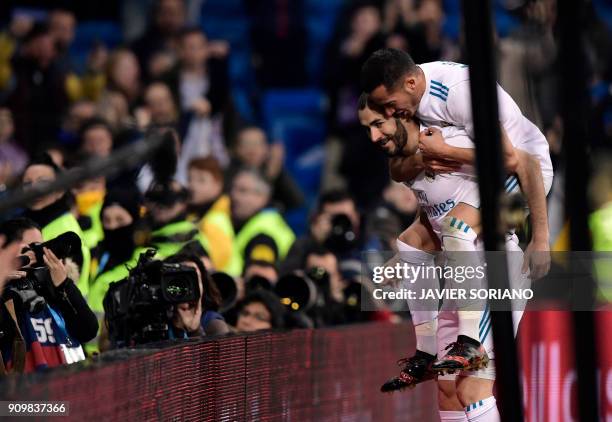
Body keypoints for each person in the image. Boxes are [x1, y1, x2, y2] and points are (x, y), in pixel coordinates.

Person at [358, 94, 550, 421]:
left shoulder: (452, 139)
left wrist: (541, 236)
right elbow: (434, 217)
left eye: (378, 124)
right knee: (447, 387)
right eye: (367, 129)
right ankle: (425, 353)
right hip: (460, 280)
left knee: (473, 386)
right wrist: (407, 254)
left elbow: (528, 163)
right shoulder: (409, 165)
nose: (374, 137)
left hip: (496, 271)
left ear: (399, 113)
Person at [0, 218, 98, 372]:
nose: (37, 254)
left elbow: (88, 330)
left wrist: (63, 285)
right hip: (26, 391)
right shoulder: (5, 292)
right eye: (28, 249)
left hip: (73, 385)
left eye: (40, 246)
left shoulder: (53, 287)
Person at [21, 154, 91, 296]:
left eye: (42, 183)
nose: (33, 189)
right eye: (27, 184)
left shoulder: (66, 231)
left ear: (60, 190)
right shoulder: (25, 225)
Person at [164, 253, 230, 337]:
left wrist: (195, 331)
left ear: (203, 285)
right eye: (180, 279)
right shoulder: (156, 321)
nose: (187, 286)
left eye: (194, 279)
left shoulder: (212, 323)